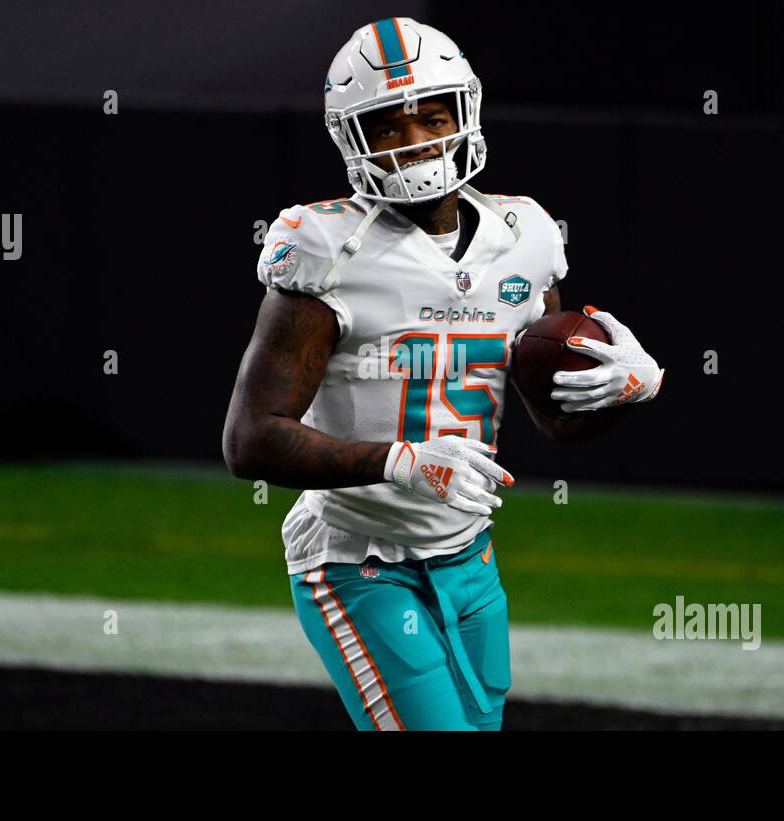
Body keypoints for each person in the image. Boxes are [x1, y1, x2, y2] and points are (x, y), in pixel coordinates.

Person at [222, 17, 663, 730]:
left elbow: (556, 422)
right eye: (389, 125)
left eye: (433, 115)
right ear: (352, 138)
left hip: (468, 555)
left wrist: (631, 384)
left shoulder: (524, 238)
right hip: (355, 557)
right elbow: (250, 441)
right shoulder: (327, 248)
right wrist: (402, 463)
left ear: (467, 112)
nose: (418, 140)